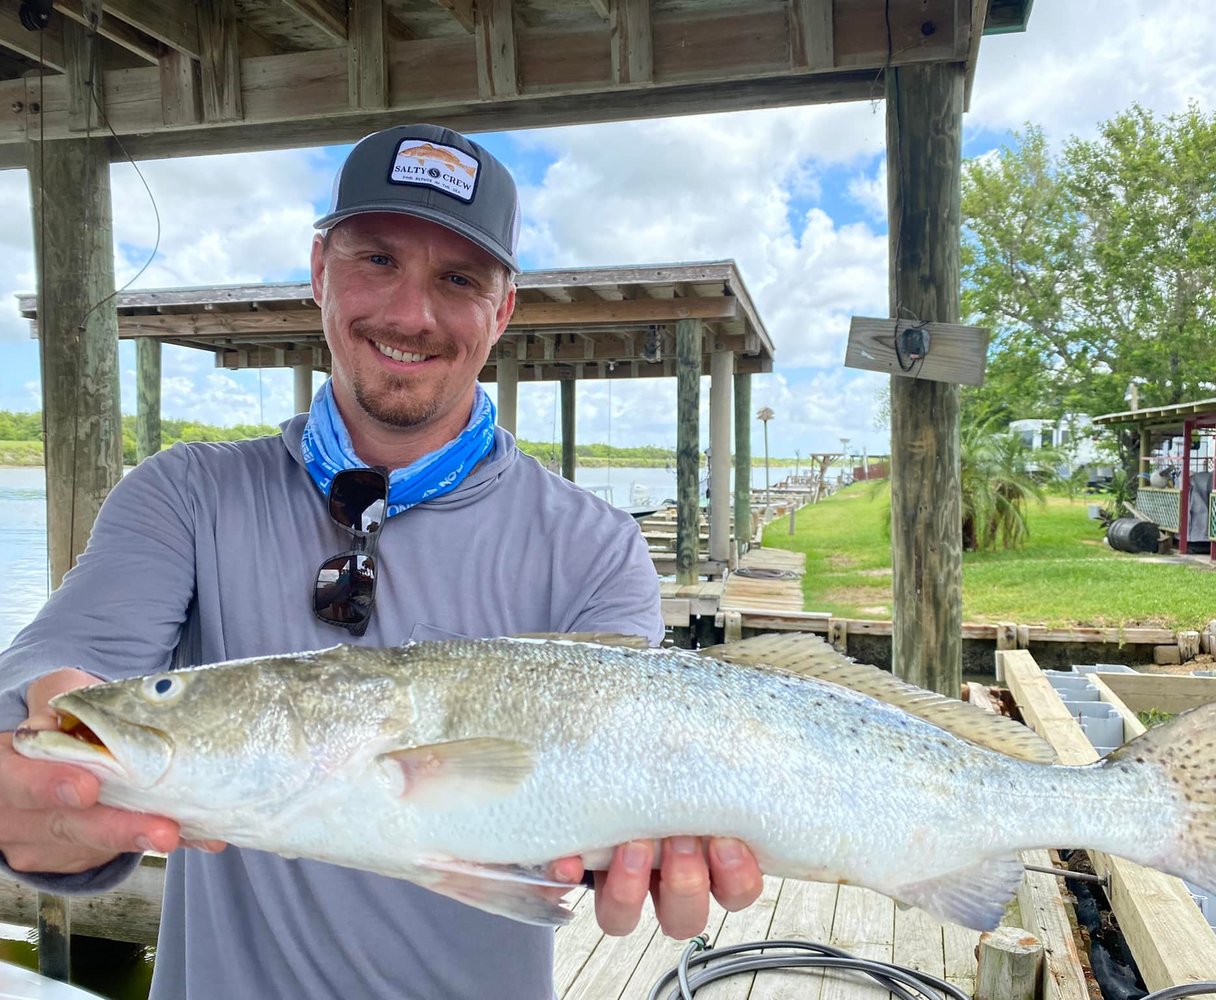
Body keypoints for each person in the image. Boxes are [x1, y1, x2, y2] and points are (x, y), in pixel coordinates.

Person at [0, 124, 762, 999]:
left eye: (458, 279)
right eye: (376, 260)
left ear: (503, 309)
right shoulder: (185, 493)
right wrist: (43, 786)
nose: (410, 314)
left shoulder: (592, 543)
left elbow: (595, 808)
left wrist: (651, 853)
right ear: (320, 270)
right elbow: (56, 676)